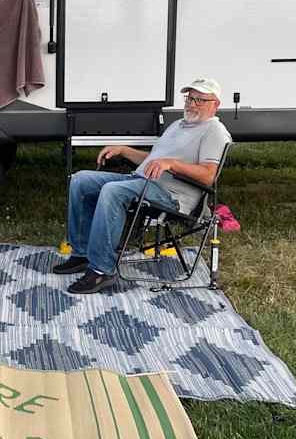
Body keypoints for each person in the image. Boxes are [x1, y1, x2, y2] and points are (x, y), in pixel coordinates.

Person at [55, 79, 232, 294]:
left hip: (173, 195)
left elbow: (208, 175)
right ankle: (82, 254)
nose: (192, 104)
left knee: (113, 191)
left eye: (200, 100)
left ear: (216, 104)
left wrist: (171, 163)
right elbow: (153, 160)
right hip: (142, 180)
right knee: (80, 180)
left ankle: (102, 270)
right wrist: (123, 149)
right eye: (189, 98)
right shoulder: (178, 125)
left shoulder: (213, 130)